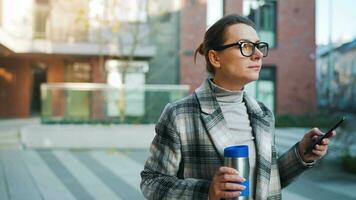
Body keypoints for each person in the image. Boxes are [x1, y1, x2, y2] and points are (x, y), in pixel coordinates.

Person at [140, 14, 335, 200]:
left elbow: (265, 183)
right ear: (216, 58)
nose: (258, 54)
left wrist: (301, 155)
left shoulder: (263, 113)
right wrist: (208, 191)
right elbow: (152, 182)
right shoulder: (179, 114)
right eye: (246, 46)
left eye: (258, 46)